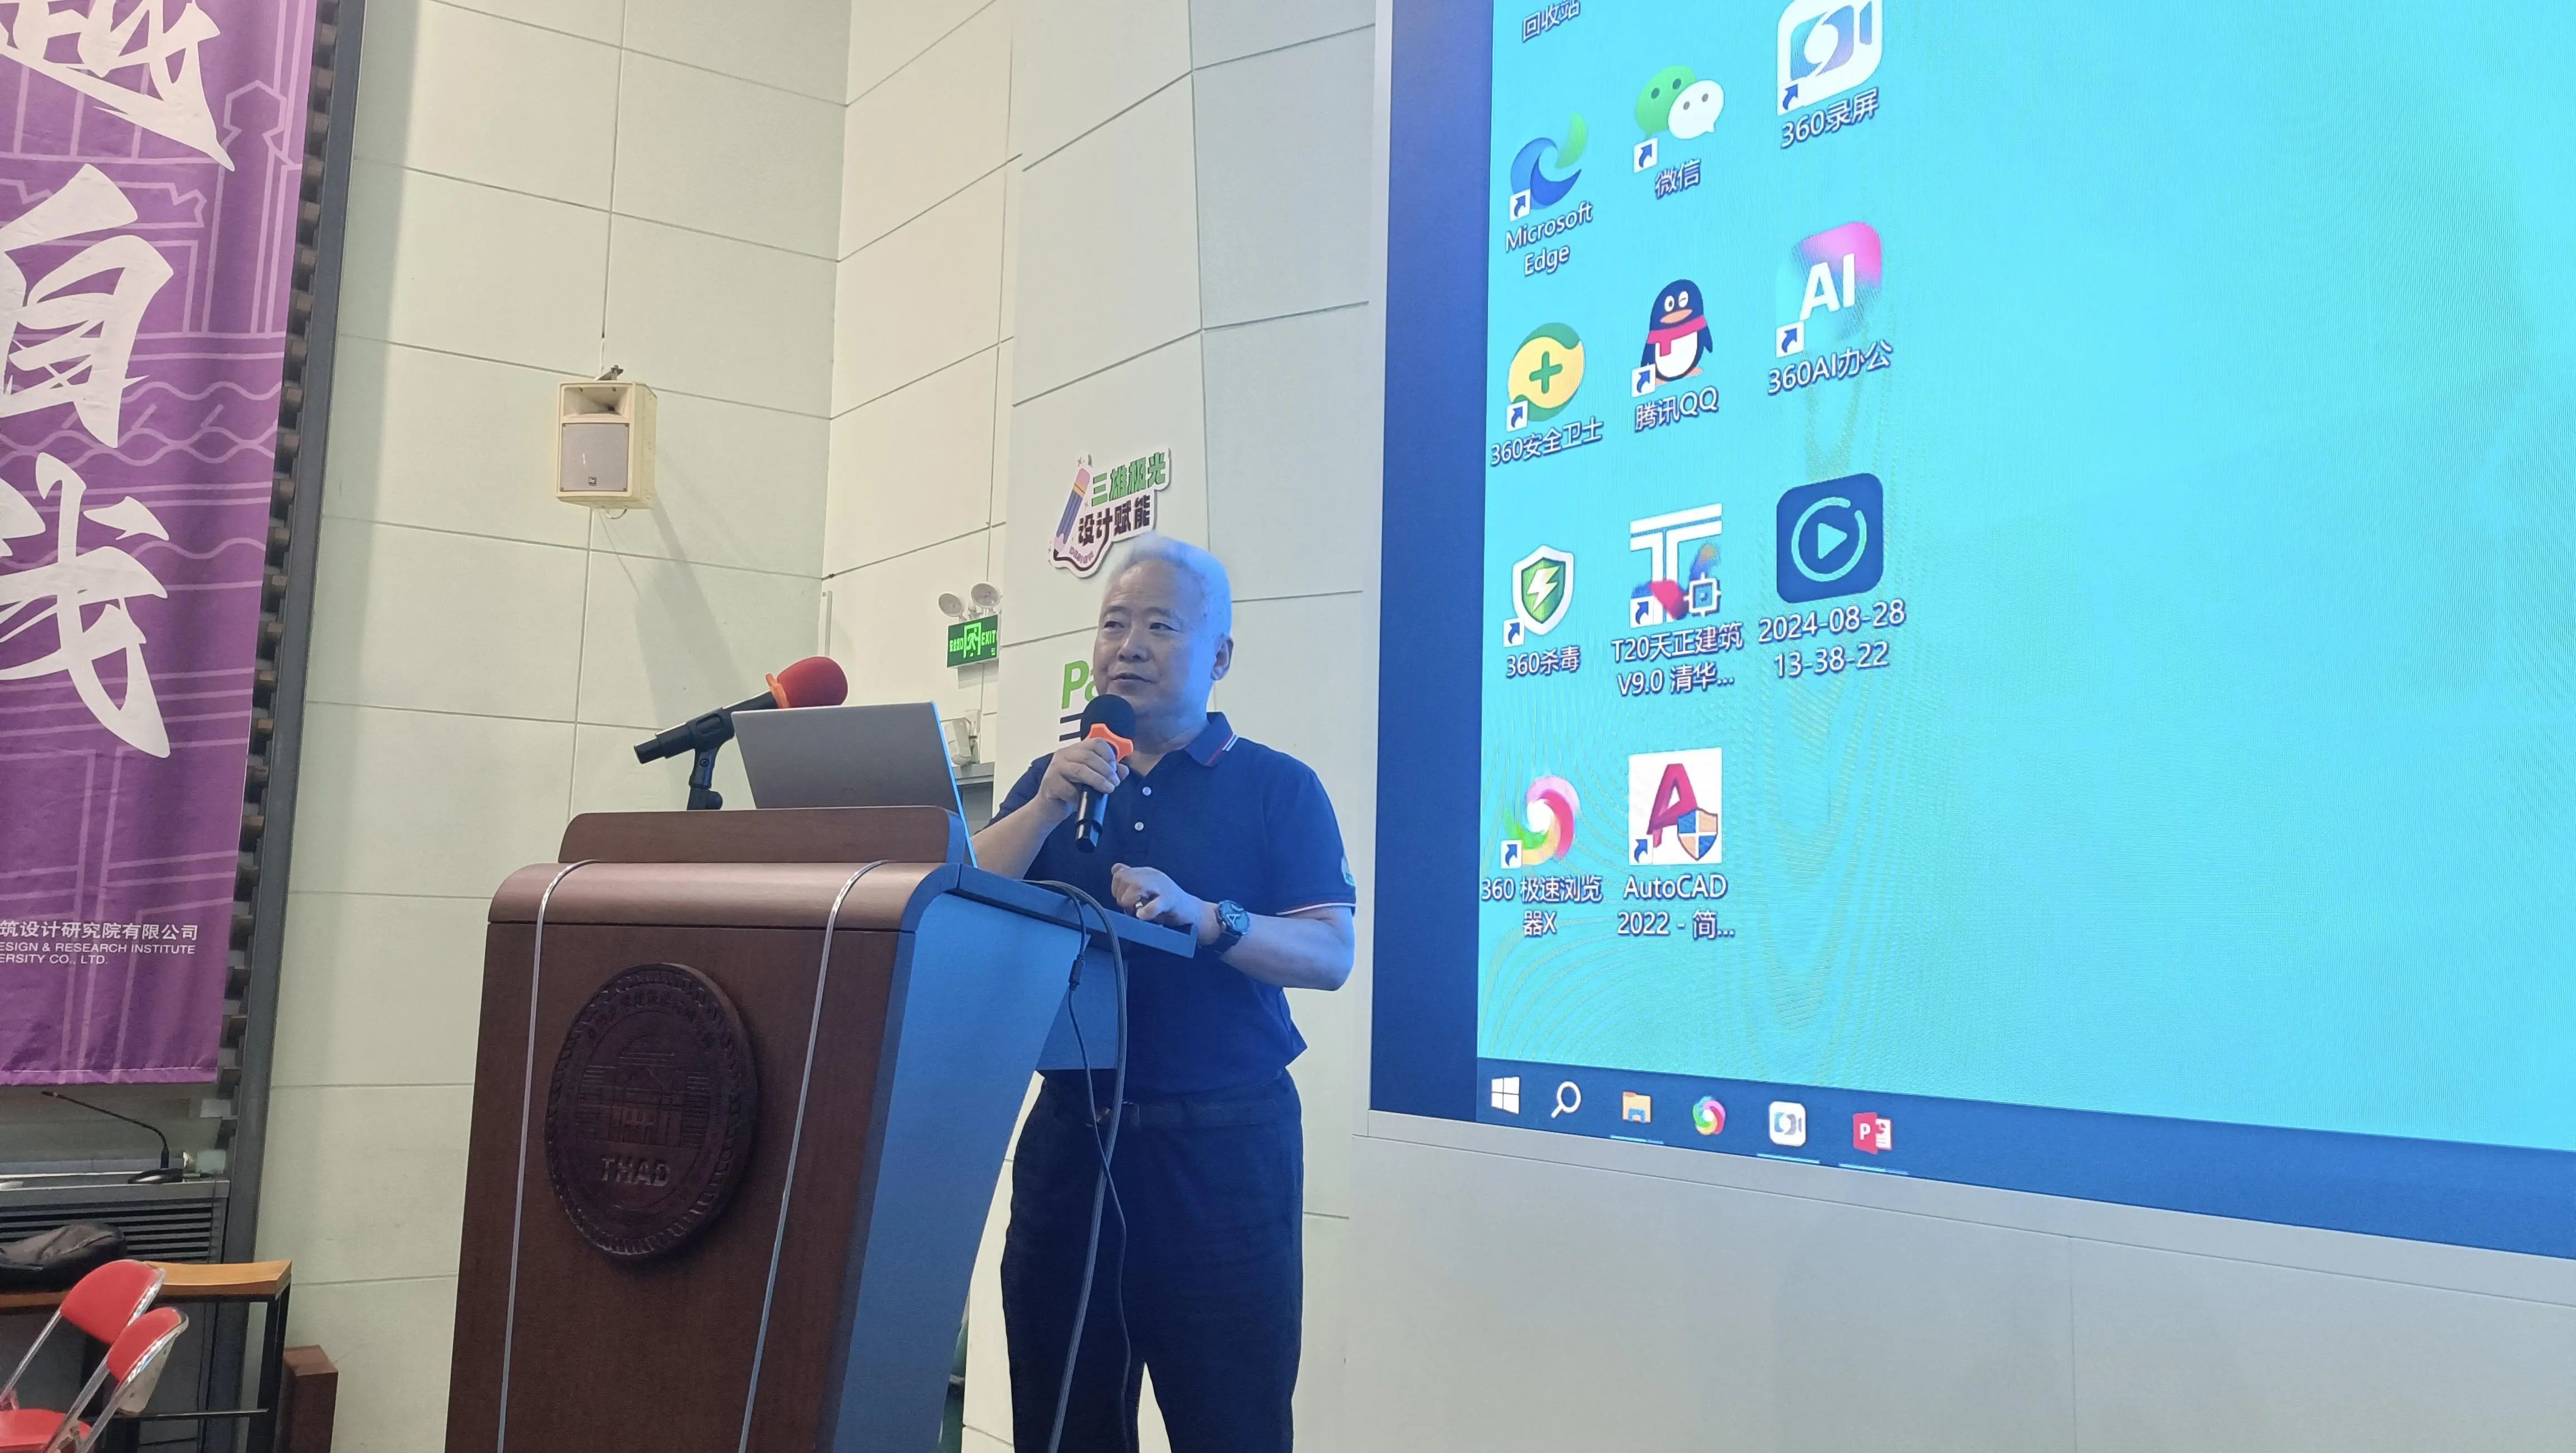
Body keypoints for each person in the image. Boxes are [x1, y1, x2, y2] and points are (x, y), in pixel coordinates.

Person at [973, 535, 1356, 1453]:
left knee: (1232, 1424)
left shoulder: (1277, 787)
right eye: (1114, 625)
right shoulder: (1058, 782)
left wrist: (1210, 917)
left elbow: (1330, 951)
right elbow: (959, 893)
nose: (1129, 647)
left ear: (1219, 656)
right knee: (1060, 1425)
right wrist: (1042, 808)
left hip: (1222, 1153)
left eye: (1160, 627)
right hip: (1074, 1141)